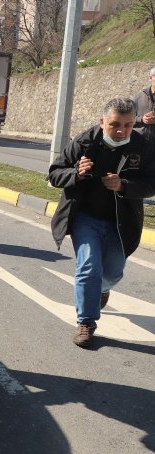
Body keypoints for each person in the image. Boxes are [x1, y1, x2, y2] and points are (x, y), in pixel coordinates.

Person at [48, 96, 155, 348]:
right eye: (115, 124)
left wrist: (124, 185)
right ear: (102, 121)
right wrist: (77, 173)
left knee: (112, 272)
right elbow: (54, 173)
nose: (121, 131)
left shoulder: (142, 146)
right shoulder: (86, 141)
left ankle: (103, 289)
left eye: (128, 125)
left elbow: (152, 183)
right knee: (88, 267)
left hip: (122, 221)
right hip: (86, 218)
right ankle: (86, 322)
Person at [133, 66, 155, 143]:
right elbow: (128, 118)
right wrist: (142, 119)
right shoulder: (138, 97)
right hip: (141, 141)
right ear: (150, 78)